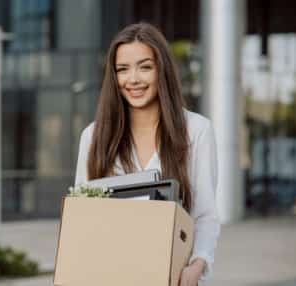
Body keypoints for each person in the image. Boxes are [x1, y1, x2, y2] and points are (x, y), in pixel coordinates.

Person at [74, 22, 220, 286]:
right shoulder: (93, 136)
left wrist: (197, 266)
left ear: (161, 70)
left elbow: (205, 215)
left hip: (174, 276)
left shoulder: (197, 131)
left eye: (145, 67)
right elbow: (82, 220)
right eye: (122, 69)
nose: (133, 79)